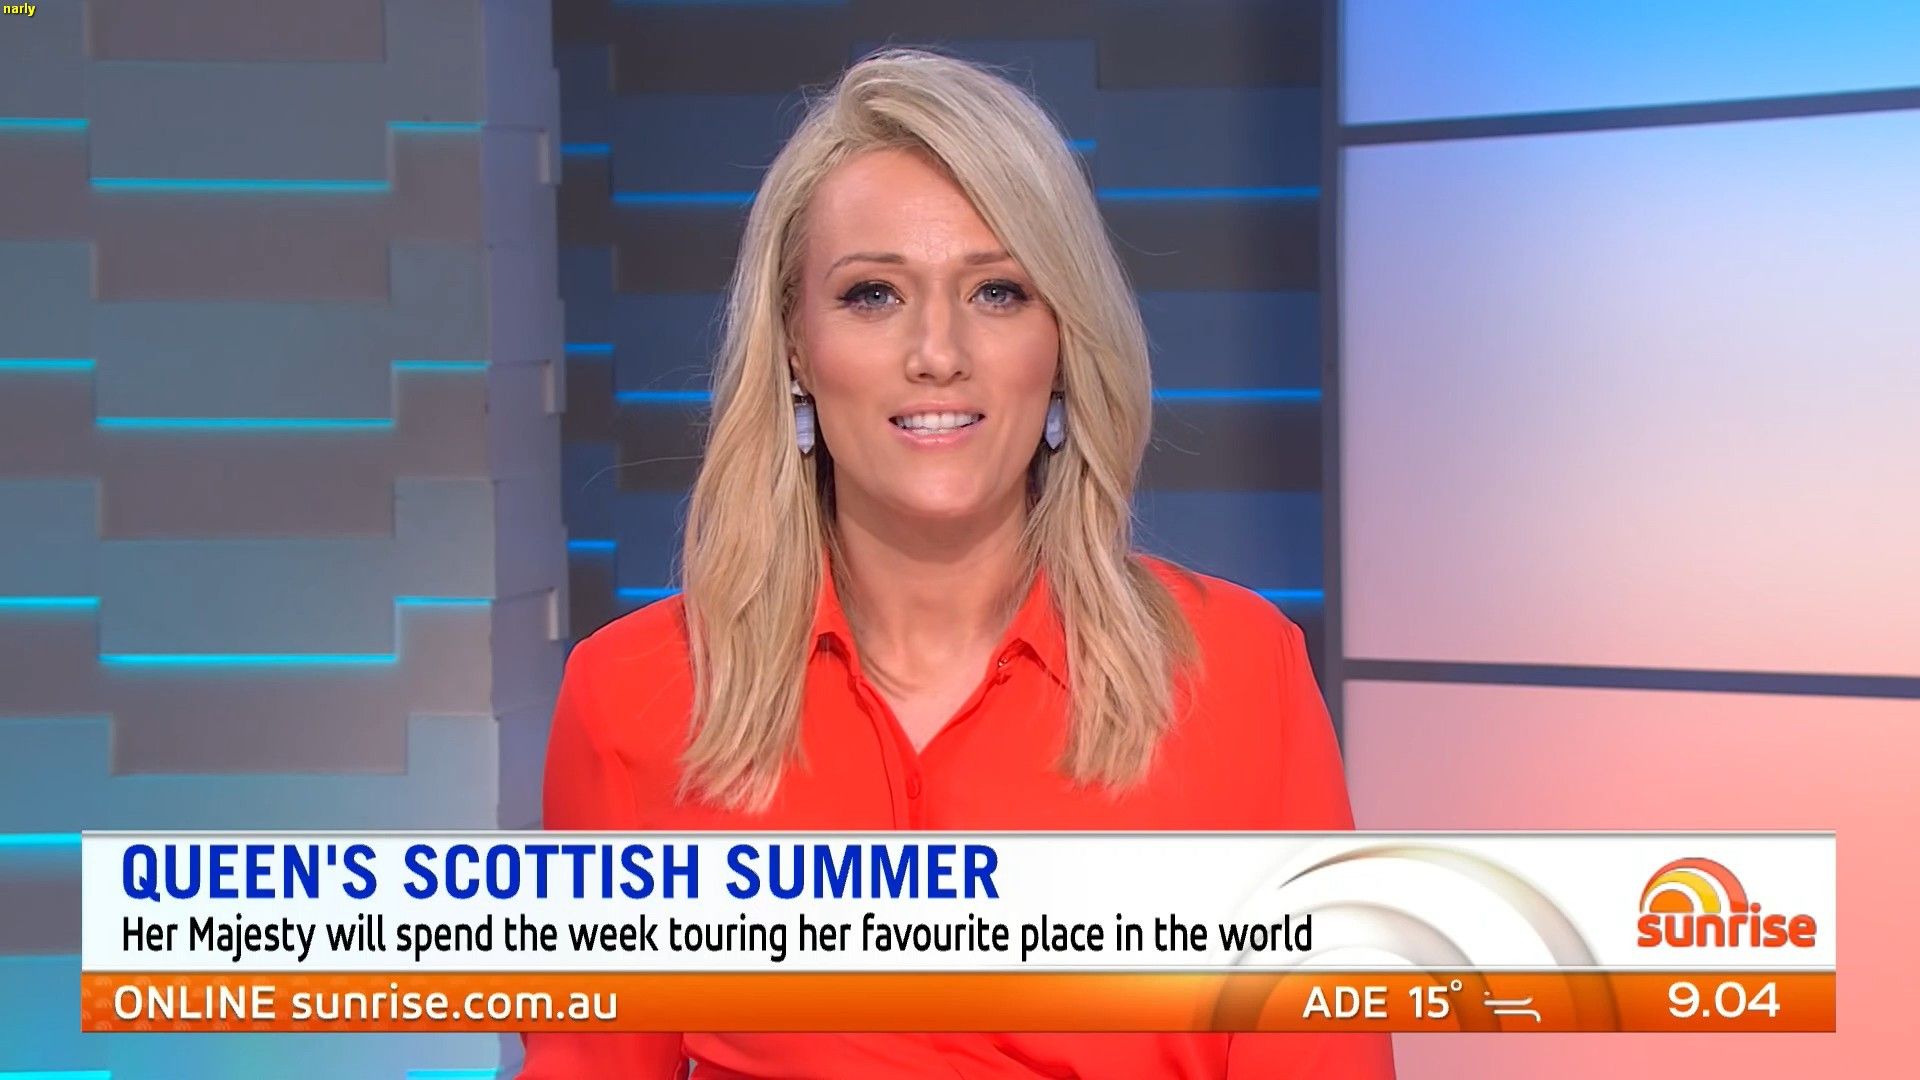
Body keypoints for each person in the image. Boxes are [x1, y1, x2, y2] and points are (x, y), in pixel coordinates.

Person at [521, 46, 1395, 1080]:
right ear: (796, 347)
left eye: (997, 291)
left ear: (1062, 342)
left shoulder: (1241, 675)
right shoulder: (634, 694)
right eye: (873, 295)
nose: (938, 352)